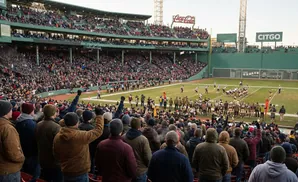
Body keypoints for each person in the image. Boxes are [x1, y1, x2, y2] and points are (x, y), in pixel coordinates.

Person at [53, 109, 104, 182]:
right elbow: (98, 131)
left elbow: (56, 154)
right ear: (77, 123)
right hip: (80, 173)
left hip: (65, 170)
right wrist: (99, 116)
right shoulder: (80, 136)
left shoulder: (58, 136)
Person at [36, 104, 63, 182]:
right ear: (53, 113)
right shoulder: (56, 127)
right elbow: (59, 146)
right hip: (54, 162)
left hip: (42, 158)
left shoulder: (39, 124)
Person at [0, 100, 25, 182]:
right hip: (8, 171)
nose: (12, 111)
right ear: (5, 112)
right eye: (10, 109)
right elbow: (13, 153)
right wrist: (22, 158)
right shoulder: (7, 128)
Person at [16, 103, 40, 180]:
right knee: (32, 175)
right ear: (30, 111)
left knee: (26, 174)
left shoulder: (19, 120)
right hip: (31, 153)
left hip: (23, 151)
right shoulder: (31, 124)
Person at [123, 118, 152, 182]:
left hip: (127, 169)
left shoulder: (124, 137)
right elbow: (148, 157)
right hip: (140, 171)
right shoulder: (143, 140)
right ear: (139, 126)